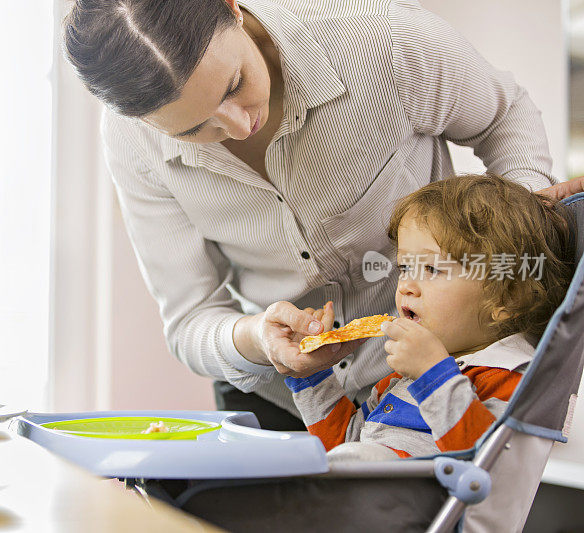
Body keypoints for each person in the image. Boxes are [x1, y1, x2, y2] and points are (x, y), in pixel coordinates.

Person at [63, 0, 582, 429]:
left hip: (445, 382)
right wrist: (259, 339)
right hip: (287, 400)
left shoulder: (383, 40)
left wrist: (512, 240)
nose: (240, 126)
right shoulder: (133, 141)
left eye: (234, 84)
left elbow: (504, 116)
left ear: (232, 8)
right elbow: (191, 319)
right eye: (192, 129)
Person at [286, 174, 577, 459]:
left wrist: (432, 375)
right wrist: (311, 373)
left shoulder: (507, 376)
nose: (406, 286)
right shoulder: (404, 377)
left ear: (507, 297)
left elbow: (489, 466)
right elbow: (342, 448)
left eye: (431, 269)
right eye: (405, 268)